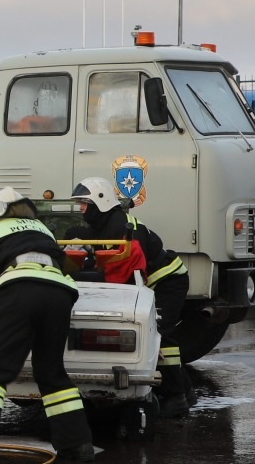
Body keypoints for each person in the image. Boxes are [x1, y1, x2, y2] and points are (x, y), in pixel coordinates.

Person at [0, 187, 94, 464]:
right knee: (51, 372)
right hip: (60, 294)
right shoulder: (43, 230)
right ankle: (78, 444)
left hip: (19, 291)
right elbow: (69, 266)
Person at [70, 177, 193, 417]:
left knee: (156, 336)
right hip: (153, 283)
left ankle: (176, 397)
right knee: (158, 335)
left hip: (168, 282)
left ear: (101, 201)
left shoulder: (122, 229)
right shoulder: (105, 224)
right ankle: (186, 391)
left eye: (85, 202)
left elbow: (125, 277)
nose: (81, 208)